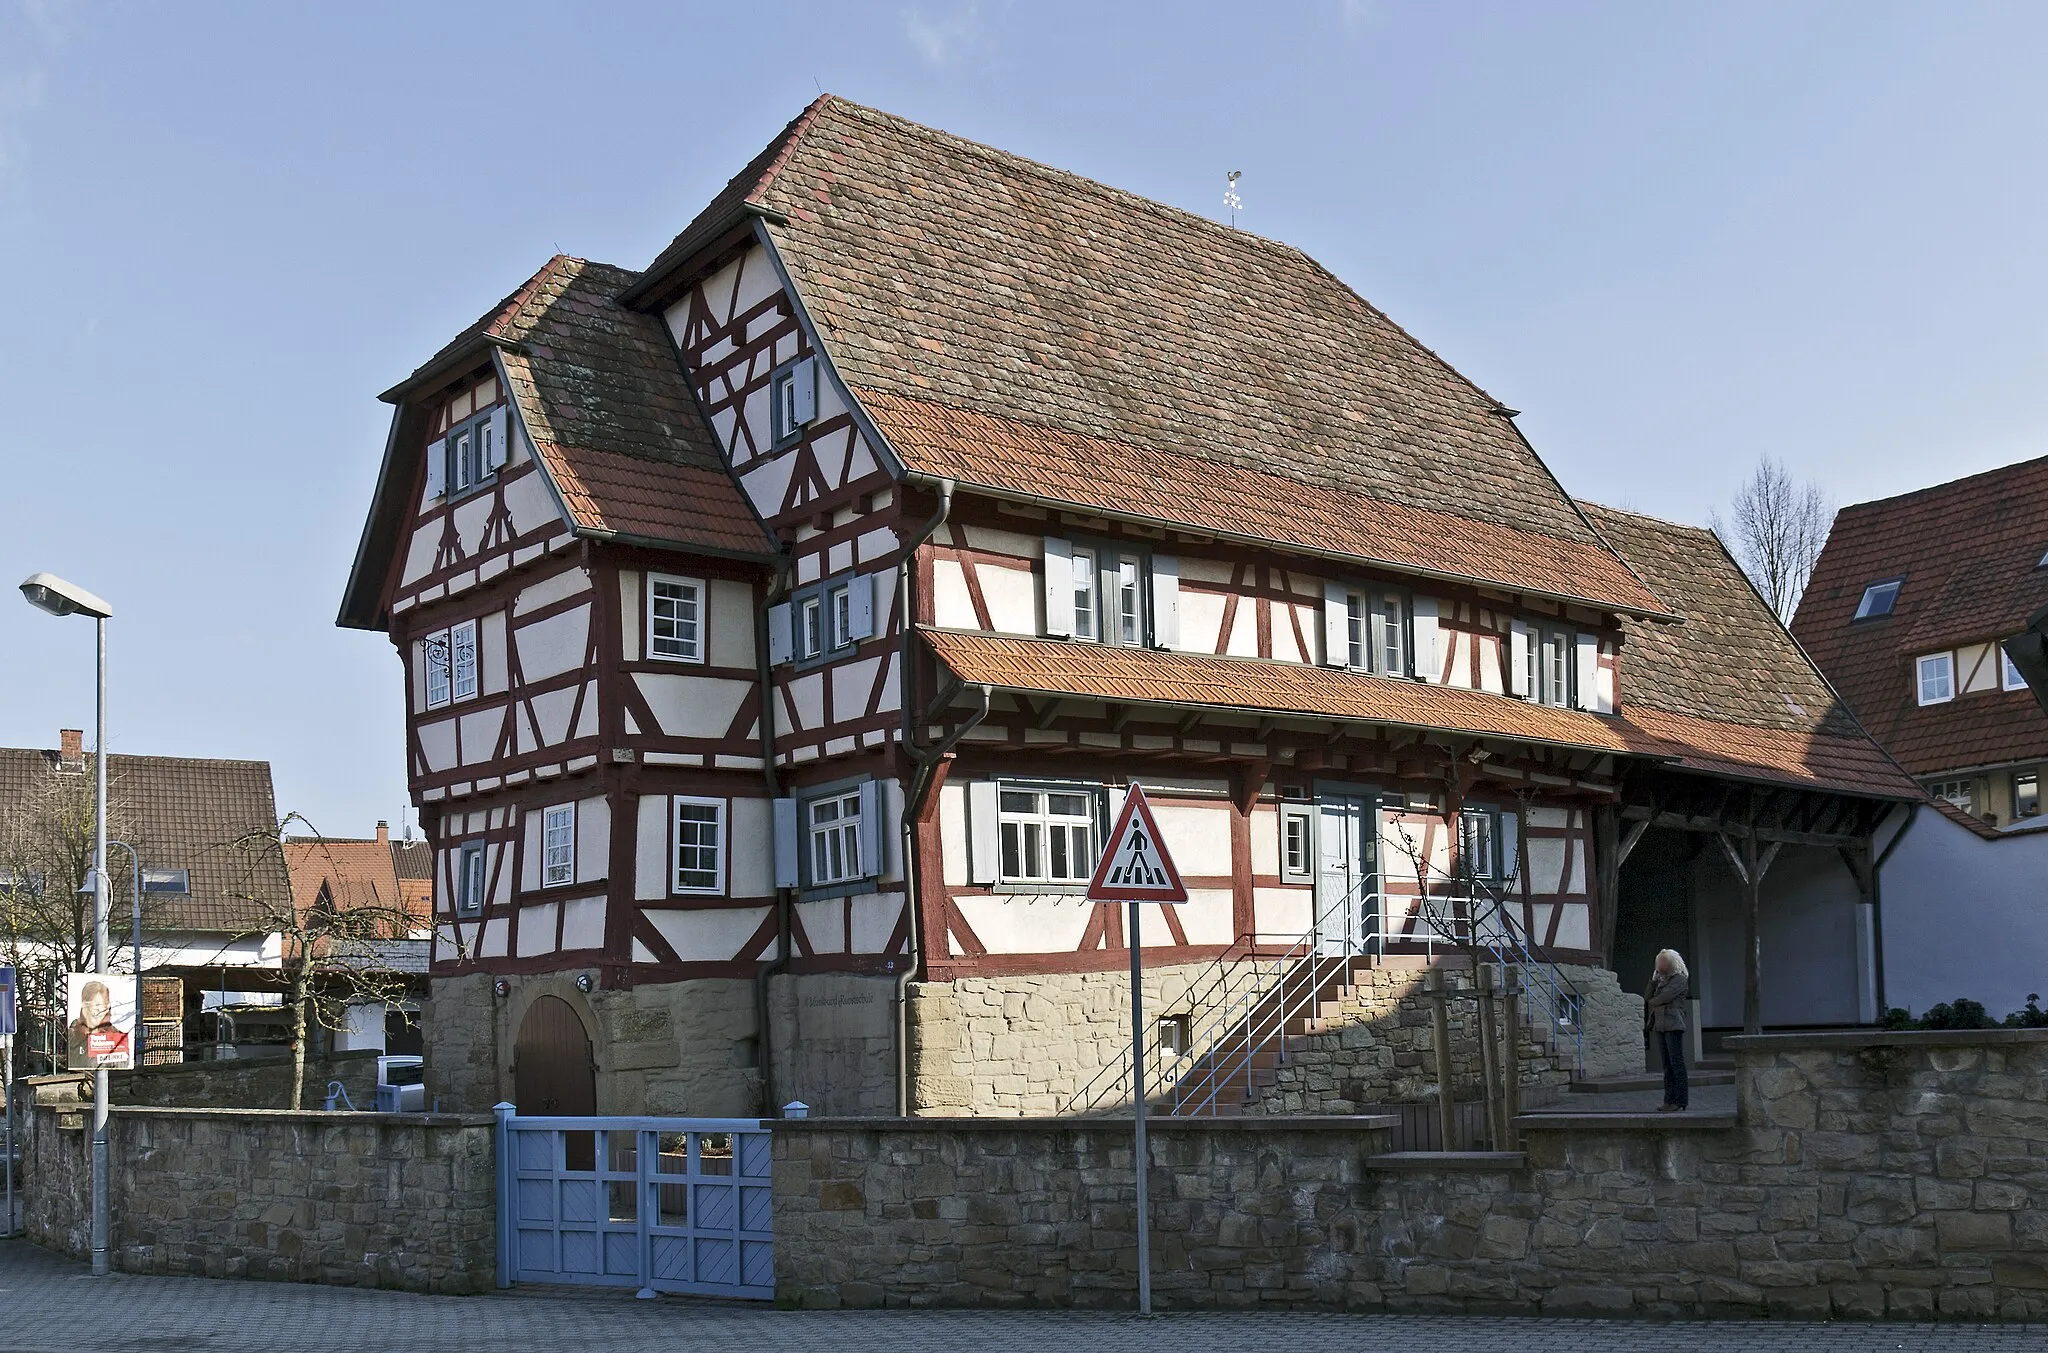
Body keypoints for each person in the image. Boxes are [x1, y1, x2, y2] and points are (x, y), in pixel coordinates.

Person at [1645, 950, 1690, 1111]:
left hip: (1673, 1024)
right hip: (1660, 1025)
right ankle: (1668, 1100)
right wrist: (1652, 980)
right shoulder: (1660, 981)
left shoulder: (1679, 979)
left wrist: (1653, 1000)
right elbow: (1647, 998)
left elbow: (1663, 998)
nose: (1660, 966)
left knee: (1676, 1063)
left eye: (1663, 962)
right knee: (1667, 1065)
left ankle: (1680, 1100)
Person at [67, 979, 131, 1070]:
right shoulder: (73, 1034)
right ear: (83, 1006)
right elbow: (75, 1063)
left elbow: (123, 1065)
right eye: (89, 1005)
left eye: (98, 1005)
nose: (94, 1010)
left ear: (107, 1006)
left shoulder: (117, 1036)